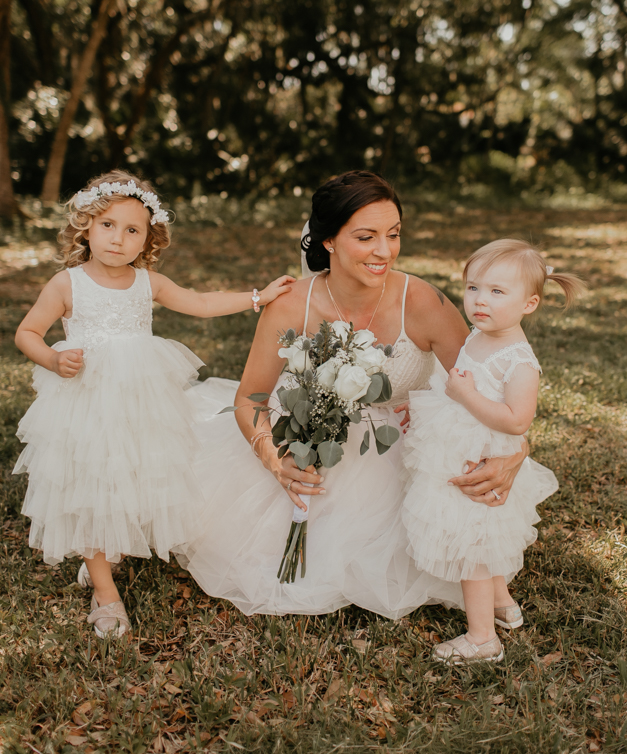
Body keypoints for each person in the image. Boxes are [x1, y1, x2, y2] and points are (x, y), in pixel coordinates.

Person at [183, 171, 530, 617]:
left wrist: (517, 452)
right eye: (366, 237)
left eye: (394, 234)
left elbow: (494, 390)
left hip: (402, 445)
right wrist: (274, 459)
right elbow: (250, 398)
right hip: (307, 440)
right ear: (328, 240)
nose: (384, 251)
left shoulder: (422, 301)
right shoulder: (290, 305)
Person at [13, 171, 293, 639]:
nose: (118, 239)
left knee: (135, 476)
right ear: (86, 226)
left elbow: (200, 302)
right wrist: (52, 356)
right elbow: (26, 332)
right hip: (86, 402)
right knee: (91, 487)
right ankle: (105, 592)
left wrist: (256, 298)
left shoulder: (148, 283)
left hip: (142, 403)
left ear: (147, 238)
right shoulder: (68, 284)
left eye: (131, 230)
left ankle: (108, 549)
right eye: (107, 225)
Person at [402, 239, 584, 662]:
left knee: (473, 547)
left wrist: (464, 395)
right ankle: (502, 604)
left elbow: (518, 420)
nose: (480, 301)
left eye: (497, 292)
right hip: (458, 449)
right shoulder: (481, 335)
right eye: (473, 288)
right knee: (480, 537)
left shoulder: (518, 360)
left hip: (482, 460)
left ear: (530, 304)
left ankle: (482, 638)